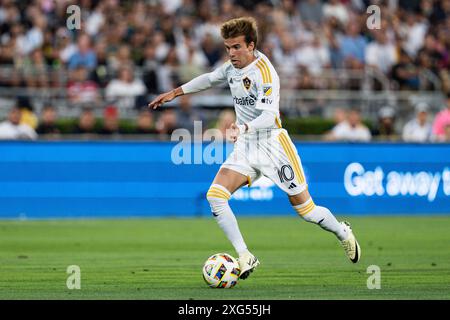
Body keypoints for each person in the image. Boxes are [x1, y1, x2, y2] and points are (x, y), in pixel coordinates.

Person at [148, 17, 361, 281]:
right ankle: (245, 256)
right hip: (247, 145)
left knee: (306, 211)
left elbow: (270, 115)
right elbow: (210, 78)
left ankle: (342, 231)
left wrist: (244, 128)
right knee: (215, 196)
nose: (232, 54)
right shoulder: (231, 68)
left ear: (251, 45)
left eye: (236, 47)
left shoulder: (266, 72)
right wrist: (176, 92)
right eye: (228, 48)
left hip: (273, 145)